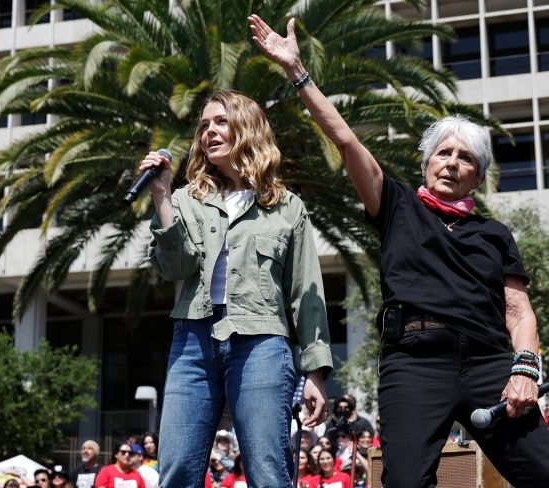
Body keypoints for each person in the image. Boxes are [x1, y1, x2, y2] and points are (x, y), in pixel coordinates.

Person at [248, 13, 549, 487]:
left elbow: (519, 312)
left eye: (465, 157)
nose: (452, 164)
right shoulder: (396, 205)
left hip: (488, 362)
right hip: (414, 361)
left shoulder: (496, 234)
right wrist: (296, 72)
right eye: (443, 154)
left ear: (481, 174)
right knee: (405, 482)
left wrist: (525, 370)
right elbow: (345, 141)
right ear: (426, 163)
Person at [143, 89, 333, 485]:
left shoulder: (286, 207)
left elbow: (306, 291)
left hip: (261, 343)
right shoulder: (184, 200)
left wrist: (315, 372)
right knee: (176, 468)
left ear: (247, 129)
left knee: (268, 472)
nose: (209, 131)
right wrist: (161, 195)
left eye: (220, 122)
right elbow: (174, 266)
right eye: (204, 125)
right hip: (192, 341)